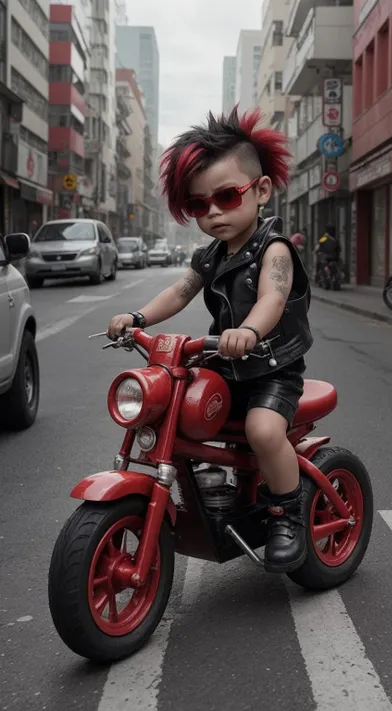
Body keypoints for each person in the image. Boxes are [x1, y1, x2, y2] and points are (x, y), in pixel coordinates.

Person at [107, 107, 313, 573]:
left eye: (225, 195)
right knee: (176, 411)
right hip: (227, 365)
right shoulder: (211, 254)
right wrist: (138, 317)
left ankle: (287, 512)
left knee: (262, 430)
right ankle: (210, 479)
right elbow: (179, 293)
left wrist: (248, 331)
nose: (214, 211)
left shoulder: (273, 247)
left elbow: (273, 298)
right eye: (200, 205)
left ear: (260, 191)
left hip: (272, 370)